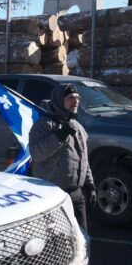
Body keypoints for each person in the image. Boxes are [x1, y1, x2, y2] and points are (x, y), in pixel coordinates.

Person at [29, 84, 95, 231]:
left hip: (77, 195)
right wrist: (59, 136)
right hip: (53, 195)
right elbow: (37, 154)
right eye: (71, 98)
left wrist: (89, 184)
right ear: (59, 100)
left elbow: (84, 158)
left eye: (77, 98)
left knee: (83, 237)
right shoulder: (43, 125)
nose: (75, 101)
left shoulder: (77, 127)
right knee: (58, 241)